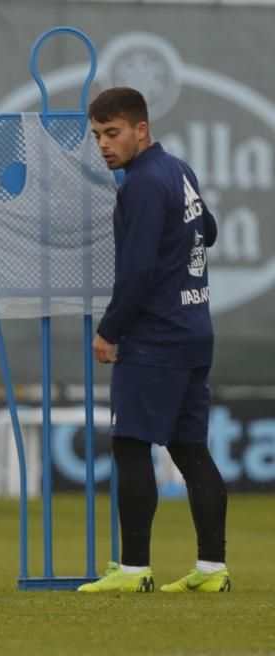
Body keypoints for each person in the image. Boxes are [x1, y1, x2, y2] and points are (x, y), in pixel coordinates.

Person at [79, 87, 229, 594]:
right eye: (98, 135)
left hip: (156, 337)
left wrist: (109, 330)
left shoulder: (142, 182)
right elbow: (207, 230)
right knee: (190, 451)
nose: (103, 145)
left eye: (113, 133)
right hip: (195, 331)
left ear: (141, 129)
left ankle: (134, 569)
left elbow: (139, 270)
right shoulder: (179, 169)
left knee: (129, 444)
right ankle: (212, 570)